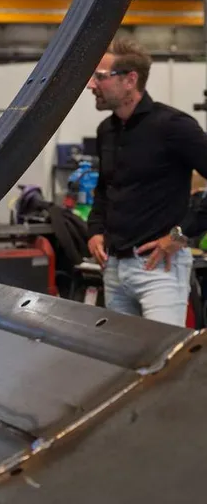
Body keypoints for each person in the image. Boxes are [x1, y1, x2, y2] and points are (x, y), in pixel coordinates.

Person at [86, 36, 207, 327]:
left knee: (162, 364)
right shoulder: (107, 130)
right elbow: (105, 188)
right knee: (121, 361)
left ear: (130, 80)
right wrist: (94, 230)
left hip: (159, 269)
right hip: (114, 267)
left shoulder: (173, 127)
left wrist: (181, 235)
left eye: (100, 76)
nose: (91, 85)